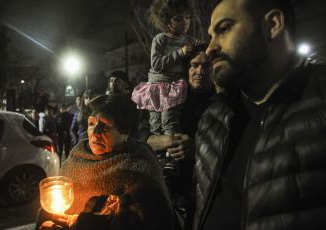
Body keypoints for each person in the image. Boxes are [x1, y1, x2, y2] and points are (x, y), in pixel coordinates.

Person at [193, 0, 326, 230]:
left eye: (224, 29)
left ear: (272, 25)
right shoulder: (214, 116)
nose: (210, 48)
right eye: (211, 35)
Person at [36, 94, 174, 230]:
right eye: (91, 123)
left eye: (105, 125)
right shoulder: (76, 156)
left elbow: (152, 221)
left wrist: (89, 224)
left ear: (126, 132)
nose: (94, 132)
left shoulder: (139, 163)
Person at [136, 43, 215, 230]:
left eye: (206, 66)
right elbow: (140, 133)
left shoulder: (225, 104)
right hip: (167, 191)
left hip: (205, 194)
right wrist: (164, 140)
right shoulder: (169, 96)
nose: (200, 71)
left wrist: (197, 149)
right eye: (194, 65)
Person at [132, 0, 199, 136]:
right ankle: (158, 156)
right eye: (178, 19)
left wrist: (200, 46)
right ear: (166, 21)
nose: (185, 22)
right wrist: (180, 53)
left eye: (187, 17)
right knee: (155, 125)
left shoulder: (189, 41)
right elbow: (156, 64)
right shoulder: (161, 39)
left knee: (170, 122)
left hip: (175, 88)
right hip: (156, 87)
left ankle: (172, 154)